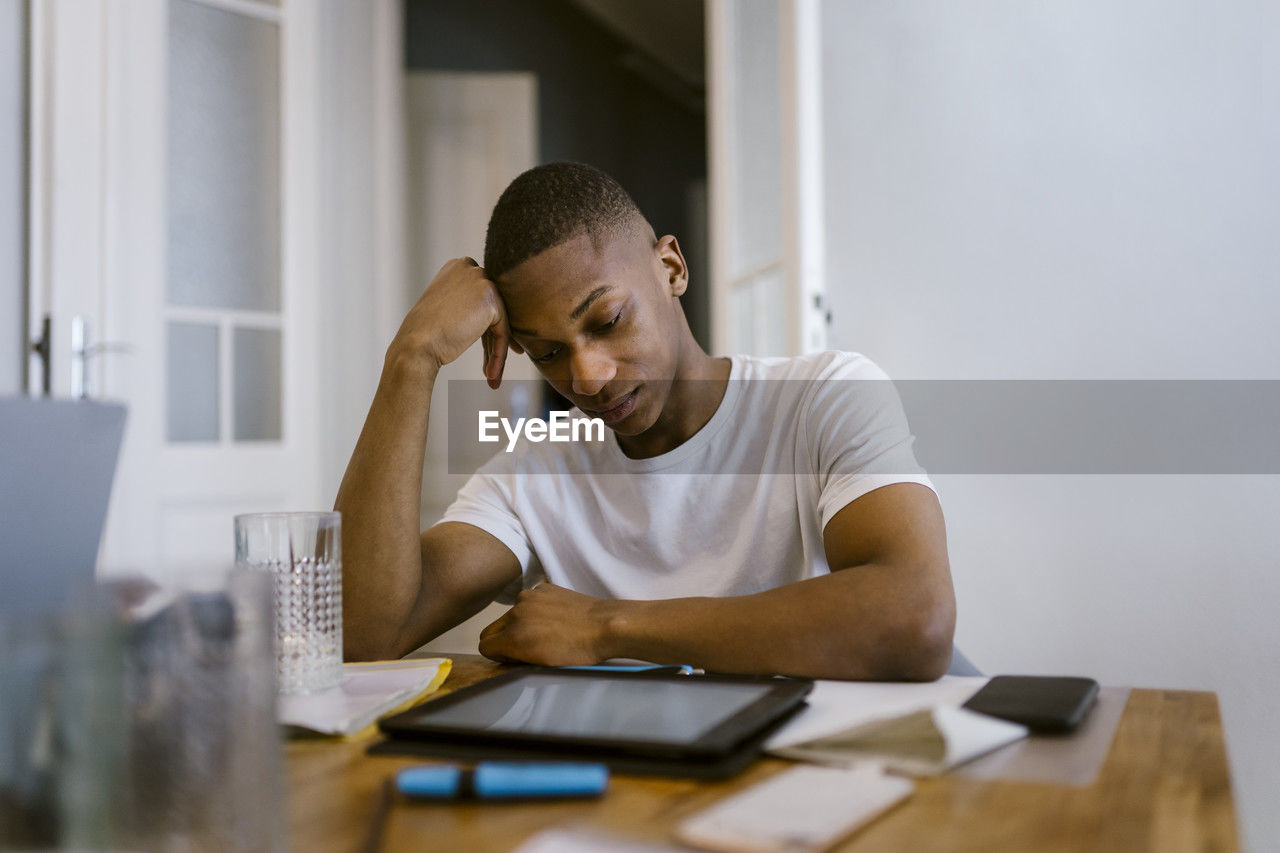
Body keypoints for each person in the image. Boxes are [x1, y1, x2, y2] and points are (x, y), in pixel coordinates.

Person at [335, 162, 955, 680]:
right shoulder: (529, 478)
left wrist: (606, 626)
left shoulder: (823, 396)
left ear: (672, 269)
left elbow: (915, 617)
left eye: (606, 321)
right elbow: (364, 635)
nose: (587, 377)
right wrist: (410, 358)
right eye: (548, 353)